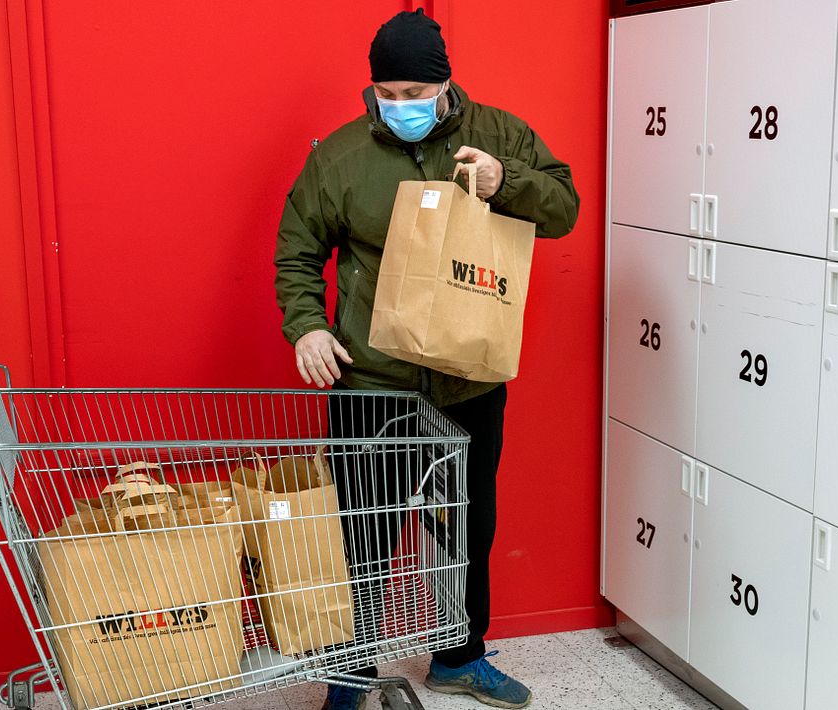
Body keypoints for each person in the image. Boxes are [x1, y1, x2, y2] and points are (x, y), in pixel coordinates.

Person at [274, 9, 578, 710]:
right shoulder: (340, 158)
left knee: (465, 529)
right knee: (364, 531)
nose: (401, 106)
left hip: (468, 380)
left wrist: (506, 181)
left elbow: (563, 208)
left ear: (446, 84)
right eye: (388, 93)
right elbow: (297, 250)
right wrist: (308, 328)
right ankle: (352, 676)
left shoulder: (499, 135)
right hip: (371, 381)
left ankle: (460, 658)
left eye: (416, 93)